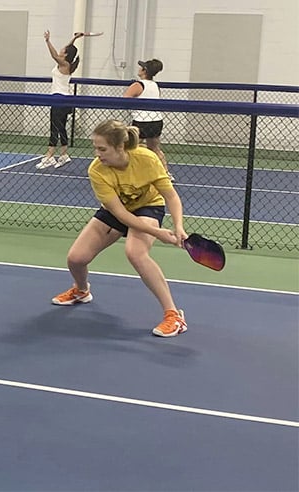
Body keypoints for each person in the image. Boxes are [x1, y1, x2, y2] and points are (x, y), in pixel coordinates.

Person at [50, 119, 188, 337]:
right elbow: (121, 214)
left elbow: (170, 195)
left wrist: (178, 226)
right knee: (76, 258)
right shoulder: (97, 170)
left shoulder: (146, 158)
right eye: (95, 148)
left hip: (148, 206)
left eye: (102, 149)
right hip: (118, 209)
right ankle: (82, 290)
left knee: (136, 253)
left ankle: (174, 316)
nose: (97, 154)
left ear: (120, 147)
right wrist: (159, 233)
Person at [37, 31, 83, 170]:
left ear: (66, 54)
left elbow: (54, 55)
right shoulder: (67, 63)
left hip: (59, 99)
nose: (61, 49)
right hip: (63, 100)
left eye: (64, 49)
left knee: (55, 127)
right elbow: (68, 49)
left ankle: (50, 156)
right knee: (61, 127)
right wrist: (74, 38)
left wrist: (47, 41)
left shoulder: (64, 64)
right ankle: (63, 154)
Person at [123, 59, 174, 181]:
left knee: (130, 147)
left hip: (141, 121)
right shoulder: (154, 85)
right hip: (156, 120)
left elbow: (125, 100)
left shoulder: (138, 85)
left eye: (141, 68)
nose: (139, 69)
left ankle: (129, 171)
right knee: (154, 148)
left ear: (144, 70)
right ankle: (166, 173)